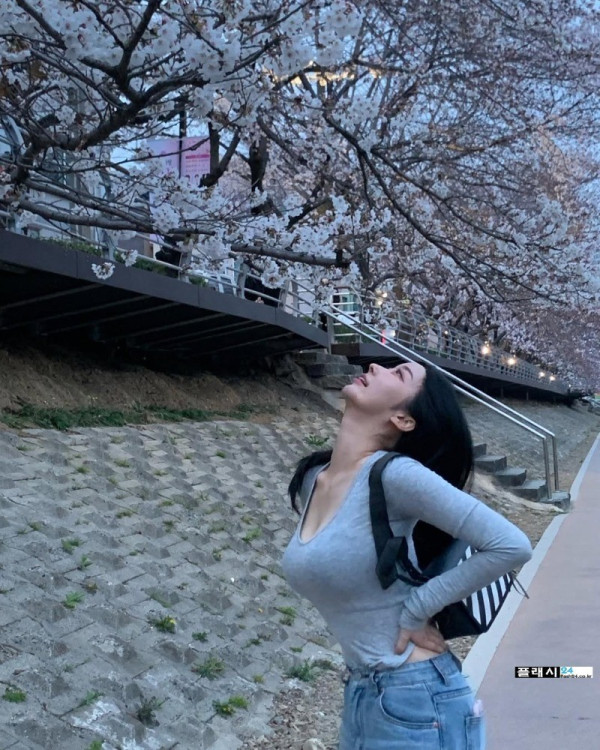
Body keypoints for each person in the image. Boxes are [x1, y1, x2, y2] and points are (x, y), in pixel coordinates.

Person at [282, 361, 533, 749]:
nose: (375, 366)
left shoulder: (396, 475)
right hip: (363, 693)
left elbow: (511, 544)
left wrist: (419, 609)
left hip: (417, 700)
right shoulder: (313, 479)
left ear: (403, 418)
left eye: (399, 374)